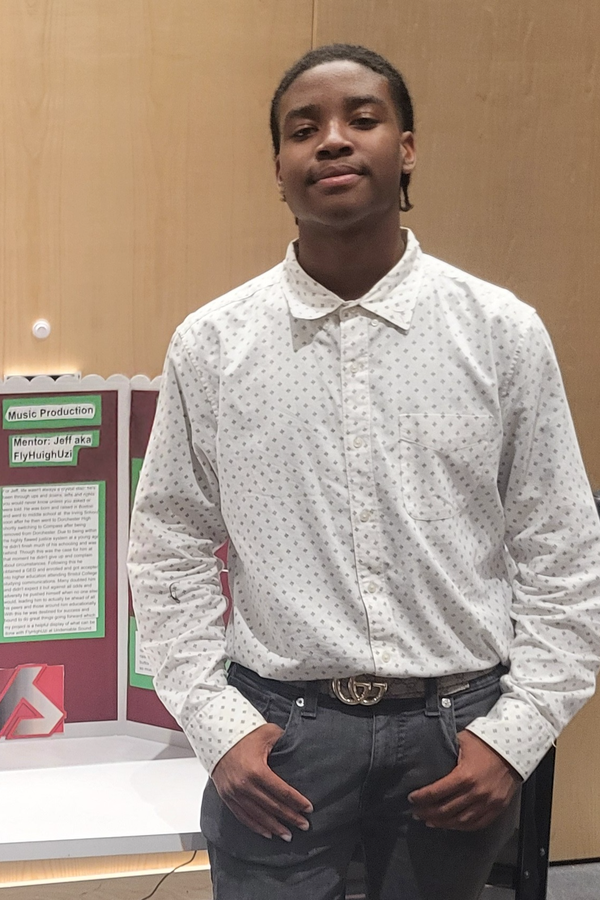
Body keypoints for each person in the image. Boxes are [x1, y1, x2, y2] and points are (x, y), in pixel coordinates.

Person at [128, 44, 600, 899]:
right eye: (303, 128)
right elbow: (169, 551)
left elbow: (563, 548)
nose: (333, 140)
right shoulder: (214, 345)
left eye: (362, 119)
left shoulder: (500, 333)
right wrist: (216, 722)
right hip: (281, 734)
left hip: (457, 733)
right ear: (279, 167)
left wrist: (517, 734)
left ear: (406, 149)